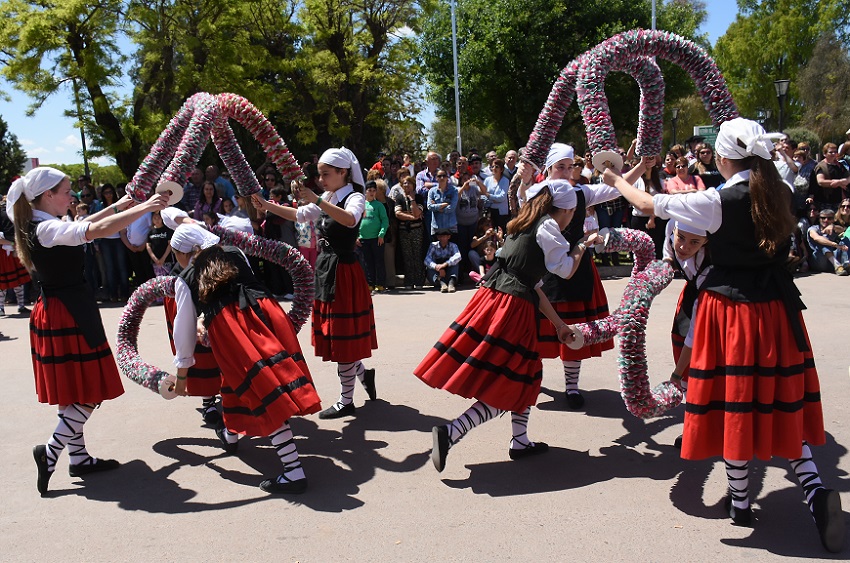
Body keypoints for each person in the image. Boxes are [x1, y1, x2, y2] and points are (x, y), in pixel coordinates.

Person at [602, 117, 843, 553]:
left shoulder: (717, 200)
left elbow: (646, 204)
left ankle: (740, 502)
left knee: (733, 403)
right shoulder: (780, 189)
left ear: (724, 155)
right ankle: (815, 493)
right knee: (779, 403)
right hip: (778, 309)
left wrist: (617, 177)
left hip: (730, 311)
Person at [416, 180, 596, 472]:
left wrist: (559, 325)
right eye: (571, 214)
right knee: (513, 382)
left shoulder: (525, 222)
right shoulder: (547, 226)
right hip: (512, 307)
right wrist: (582, 245)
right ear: (564, 210)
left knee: (522, 375)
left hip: (496, 299)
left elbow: (533, 285)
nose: (569, 220)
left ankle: (520, 440)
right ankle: (452, 432)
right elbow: (564, 269)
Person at [8, 167, 167, 496]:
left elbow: (88, 223)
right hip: (68, 312)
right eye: (67, 191)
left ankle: (78, 458)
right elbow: (93, 230)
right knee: (90, 390)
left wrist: (122, 204)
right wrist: (144, 208)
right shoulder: (47, 228)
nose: (73, 197)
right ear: (48, 195)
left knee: (73, 389)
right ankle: (50, 452)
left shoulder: (44, 222)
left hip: (62, 308)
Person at [168, 223, 320, 494]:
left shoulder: (186, 277)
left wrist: (182, 376)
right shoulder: (233, 251)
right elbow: (240, 284)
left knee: (264, 391)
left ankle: (294, 471)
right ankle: (230, 435)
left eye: (176, 253)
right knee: (240, 383)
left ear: (189, 251)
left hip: (233, 328)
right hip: (266, 313)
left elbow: (183, 329)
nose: (175, 259)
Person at [254, 147, 378, 419]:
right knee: (339, 337)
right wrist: (267, 206)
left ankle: (347, 400)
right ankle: (363, 375)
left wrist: (319, 202)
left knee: (342, 340)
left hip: (344, 272)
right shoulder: (329, 196)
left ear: (343, 172)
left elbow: (350, 219)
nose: (321, 179)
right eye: (320, 174)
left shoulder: (354, 197)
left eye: (326, 174)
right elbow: (299, 215)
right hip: (326, 269)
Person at [535, 144, 635, 410]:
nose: (567, 172)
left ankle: (571, 387)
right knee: (534, 332)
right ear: (548, 168)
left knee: (574, 328)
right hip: (542, 269)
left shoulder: (580, 192)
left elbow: (615, 188)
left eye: (570, 167)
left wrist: (641, 168)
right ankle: (530, 382)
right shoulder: (536, 194)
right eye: (561, 167)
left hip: (576, 267)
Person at [96, 183, 130, 302]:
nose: (108, 195)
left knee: (122, 267)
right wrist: (96, 242)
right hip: (105, 240)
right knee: (109, 268)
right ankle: (113, 294)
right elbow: (96, 223)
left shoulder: (119, 205)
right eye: (106, 193)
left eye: (110, 192)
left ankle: (125, 293)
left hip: (119, 239)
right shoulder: (100, 206)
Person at [394, 175, 426, 288]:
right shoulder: (399, 198)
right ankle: (408, 281)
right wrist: (412, 217)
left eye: (409, 183)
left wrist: (412, 200)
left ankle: (419, 281)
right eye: (404, 183)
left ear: (413, 184)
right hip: (404, 231)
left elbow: (418, 212)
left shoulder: (418, 197)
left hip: (417, 230)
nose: (407, 185)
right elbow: (398, 214)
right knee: (407, 256)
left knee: (417, 255)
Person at [0, 201, 31, 316]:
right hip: (4, 252)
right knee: (4, 282)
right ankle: (1, 307)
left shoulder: (12, 217)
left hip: (11, 250)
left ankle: (20, 306)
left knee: (17, 280)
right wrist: (12, 243)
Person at [358, 180, 389, 291]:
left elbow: (385, 221)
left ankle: (380, 283)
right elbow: (356, 221)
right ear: (365, 192)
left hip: (376, 238)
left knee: (379, 261)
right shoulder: (361, 205)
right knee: (367, 262)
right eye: (369, 190)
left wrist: (381, 234)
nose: (371, 193)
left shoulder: (379, 205)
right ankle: (370, 283)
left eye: (374, 191)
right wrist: (357, 236)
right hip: (363, 239)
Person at [806, 208, 849, 275]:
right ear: (819, 219)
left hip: (834, 261)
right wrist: (835, 245)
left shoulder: (834, 228)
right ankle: (837, 265)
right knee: (823, 241)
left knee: (845, 239)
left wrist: (833, 226)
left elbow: (843, 230)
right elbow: (817, 238)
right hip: (819, 261)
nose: (826, 220)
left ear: (833, 219)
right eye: (823, 218)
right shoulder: (813, 228)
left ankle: (846, 263)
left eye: (829, 218)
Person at [424, 228, 461, 292]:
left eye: (444, 237)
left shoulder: (453, 245)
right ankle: (442, 284)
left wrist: (445, 264)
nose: (442, 239)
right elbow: (427, 259)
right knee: (430, 265)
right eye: (440, 237)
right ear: (438, 237)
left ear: (448, 237)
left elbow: (458, 256)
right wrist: (436, 267)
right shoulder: (433, 245)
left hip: (448, 269)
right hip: (437, 272)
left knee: (455, 263)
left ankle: (451, 284)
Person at [484, 159, 510, 231]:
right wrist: (493, 199)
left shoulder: (505, 180)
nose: (494, 168)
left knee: (500, 231)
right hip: (490, 210)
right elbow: (483, 194)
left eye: (497, 167)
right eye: (492, 167)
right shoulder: (487, 180)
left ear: (501, 169)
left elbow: (502, 197)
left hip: (501, 213)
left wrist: (489, 196)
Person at [146, 210, 174, 277]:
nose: (157, 220)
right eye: (154, 218)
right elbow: (148, 245)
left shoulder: (167, 230)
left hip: (166, 259)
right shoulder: (151, 232)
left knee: (168, 278)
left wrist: (163, 258)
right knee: (159, 279)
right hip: (155, 261)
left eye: (158, 218)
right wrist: (154, 258)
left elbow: (169, 244)